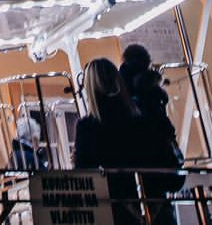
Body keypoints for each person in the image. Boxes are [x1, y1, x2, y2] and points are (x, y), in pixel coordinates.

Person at [72, 57, 142, 225]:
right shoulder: (136, 119)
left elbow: (83, 173)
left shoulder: (88, 126)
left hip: (108, 205)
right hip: (139, 199)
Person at [118, 44, 187, 207]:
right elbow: (167, 129)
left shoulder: (123, 90)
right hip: (159, 162)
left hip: (135, 164)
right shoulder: (155, 94)